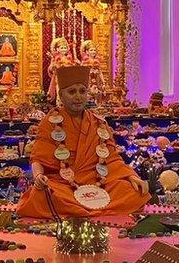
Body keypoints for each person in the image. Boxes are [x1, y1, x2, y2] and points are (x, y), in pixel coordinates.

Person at [17, 65, 150, 219]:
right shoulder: (50, 122)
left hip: (98, 181)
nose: (78, 97)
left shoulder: (99, 123)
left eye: (82, 91)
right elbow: (38, 157)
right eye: (72, 92)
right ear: (61, 94)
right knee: (45, 194)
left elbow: (112, 159)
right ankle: (96, 211)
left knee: (131, 191)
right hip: (64, 183)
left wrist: (132, 177)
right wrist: (39, 176)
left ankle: (79, 212)